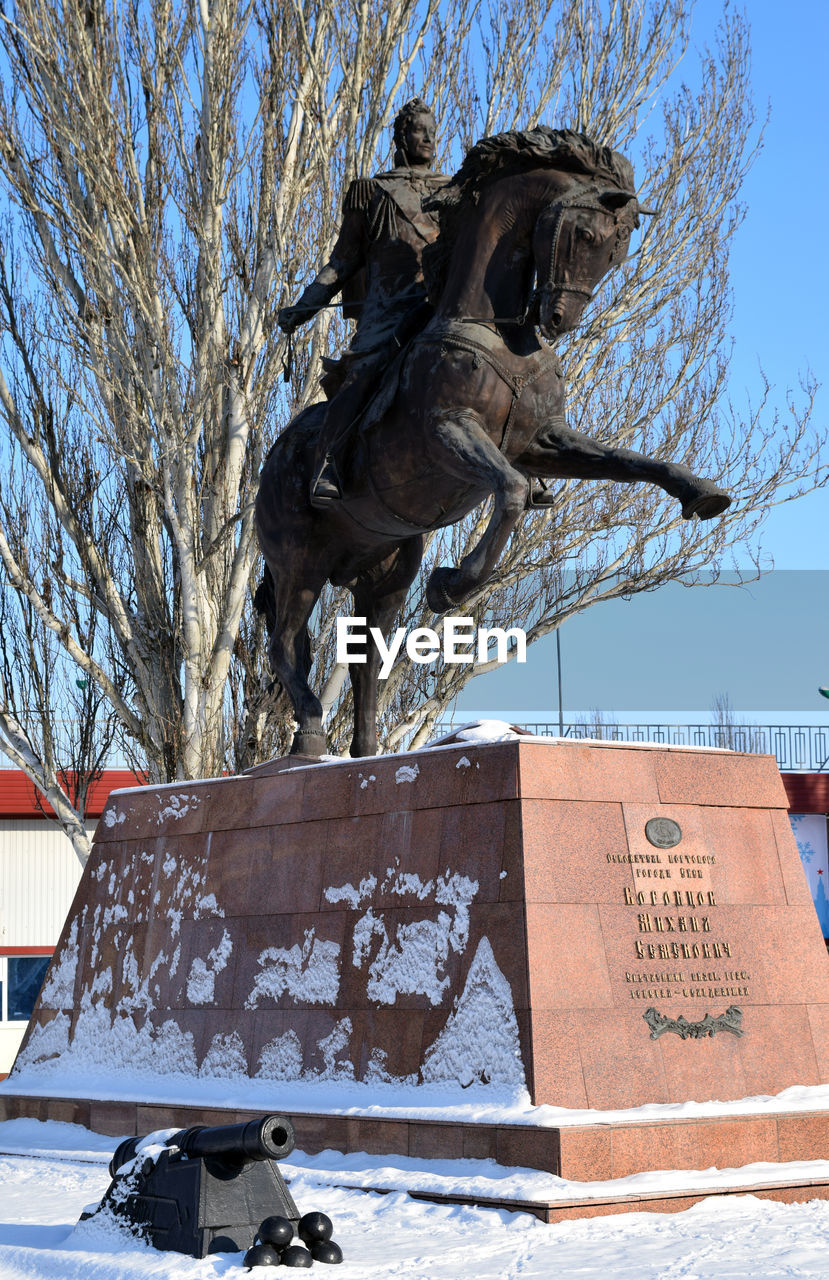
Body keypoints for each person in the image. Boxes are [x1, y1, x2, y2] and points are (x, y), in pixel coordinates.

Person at [277, 98, 450, 505]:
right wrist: (304, 308)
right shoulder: (372, 193)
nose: (429, 136)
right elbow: (342, 262)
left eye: (432, 129)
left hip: (440, 310)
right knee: (364, 375)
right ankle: (328, 461)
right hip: (388, 317)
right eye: (420, 129)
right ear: (401, 136)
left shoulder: (453, 192)